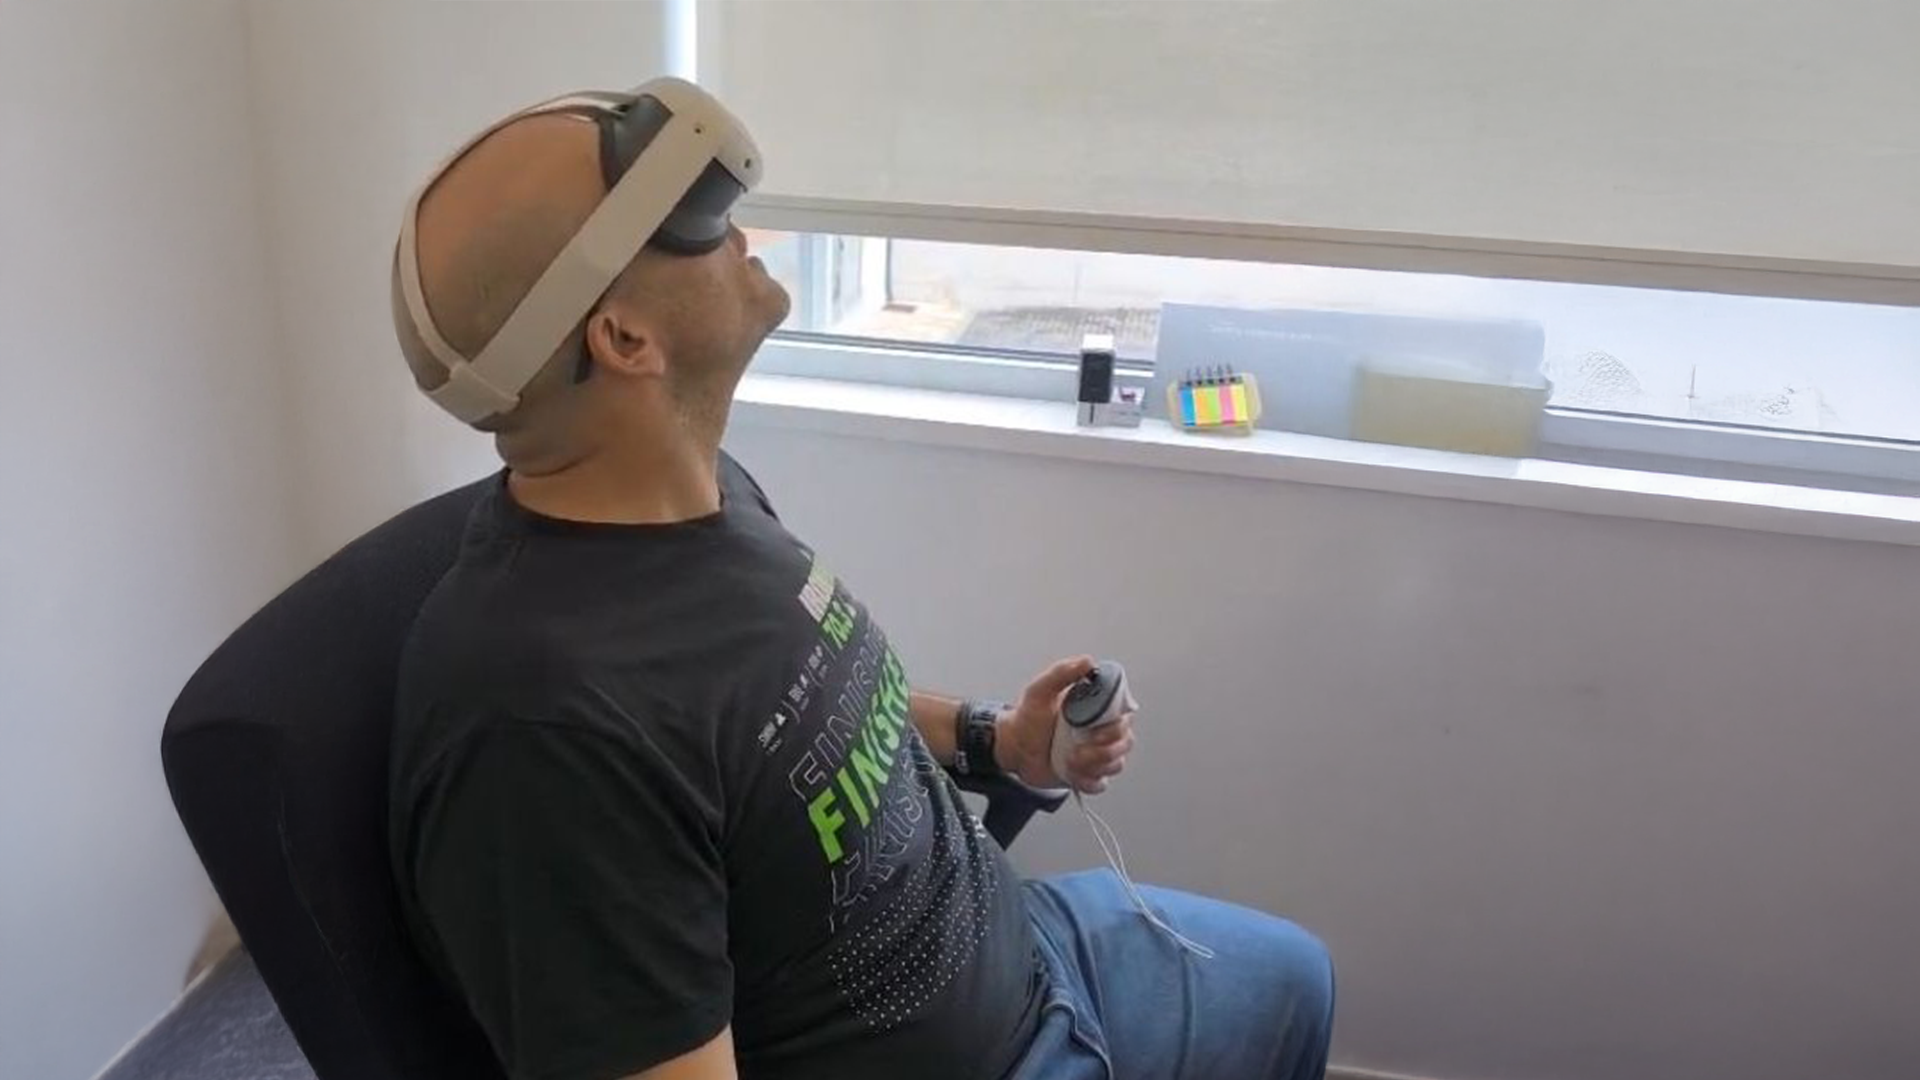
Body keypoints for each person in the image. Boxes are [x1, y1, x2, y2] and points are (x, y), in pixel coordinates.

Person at [386, 79, 1333, 1080]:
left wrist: (998, 739)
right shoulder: (540, 731)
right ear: (624, 339)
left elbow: (790, 719)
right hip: (990, 1056)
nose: (738, 233)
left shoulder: (699, 495)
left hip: (1021, 946)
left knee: (1296, 980)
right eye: (693, 222)